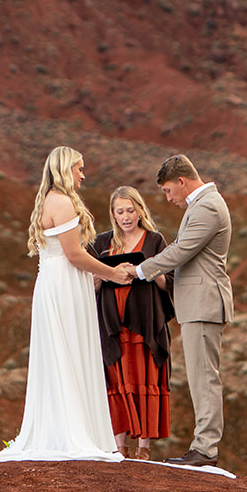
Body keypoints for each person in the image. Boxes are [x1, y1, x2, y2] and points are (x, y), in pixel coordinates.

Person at [0, 145, 133, 470]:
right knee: (67, 351)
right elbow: (74, 254)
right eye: (79, 168)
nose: (83, 175)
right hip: (64, 284)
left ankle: (68, 427)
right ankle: (73, 432)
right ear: (65, 168)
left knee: (63, 354)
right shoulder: (63, 201)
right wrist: (113, 273)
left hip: (55, 282)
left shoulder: (49, 200)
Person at [130, 154, 233, 468]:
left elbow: (181, 250)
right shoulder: (202, 206)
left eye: (167, 191)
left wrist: (138, 271)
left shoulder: (208, 207)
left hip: (204, 303)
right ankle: (202, 446)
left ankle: (205, 449)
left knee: (204, 378)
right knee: (200, 377)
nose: (168, 198)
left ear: (181, 181)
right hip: (196, 304)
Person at [91, 186, 174, 459]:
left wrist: (148, 270)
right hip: (112, 324)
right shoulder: (102, 244)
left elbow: (168, 284)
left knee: (144, 378)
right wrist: (107, 273)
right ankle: (120, 448)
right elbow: (87, 284)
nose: (126, 216)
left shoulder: (154, 240)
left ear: (140, 210)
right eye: (120, 211)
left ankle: (144, 450)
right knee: (118, 381)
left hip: (145, 322)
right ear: (113, 215)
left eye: (130, 210)